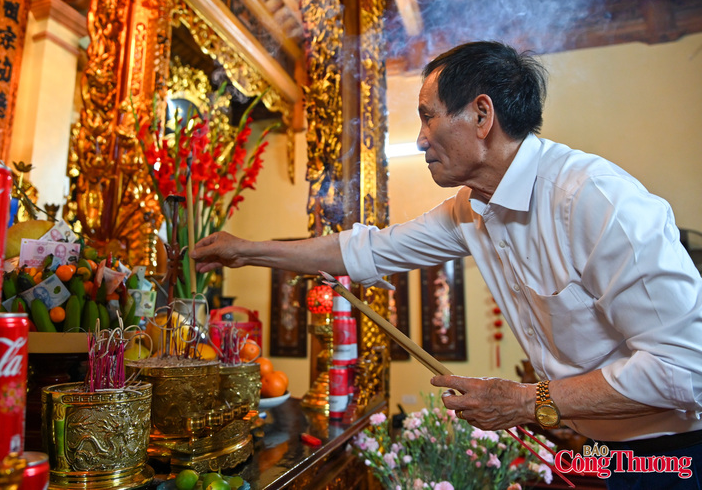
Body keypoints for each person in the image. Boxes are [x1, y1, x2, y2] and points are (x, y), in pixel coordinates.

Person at [191, 41, 702, 487]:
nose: (419, 139)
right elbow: (366, 250)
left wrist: (524, 401)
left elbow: (685, 369)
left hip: (677, 454)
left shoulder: (594, 200)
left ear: (482, 116)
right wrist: (246, 250)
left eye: (428, 115)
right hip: (604, 451)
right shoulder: (473, 208)